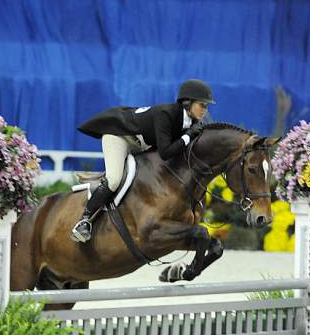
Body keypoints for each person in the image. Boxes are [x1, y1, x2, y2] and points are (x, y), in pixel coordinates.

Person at [71, 78, 216, 243]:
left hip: (141, 145)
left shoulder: (191, 121)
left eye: (206, 106)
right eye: (202, 105)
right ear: (187, 103)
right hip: (119, 137)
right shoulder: (166, 114)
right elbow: (166, 152)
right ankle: (84, 221)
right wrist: (189, 135)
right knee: (114, 180)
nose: (205, 110)